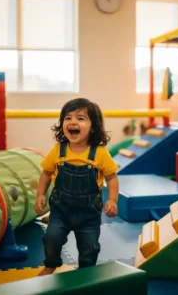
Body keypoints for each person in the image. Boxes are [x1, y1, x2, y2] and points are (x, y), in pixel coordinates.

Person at [35, 98, 119, 276]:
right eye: (68, 118)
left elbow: (111, 178)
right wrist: (40, 195)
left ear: (93, 127)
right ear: (62, 124)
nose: (73, 122)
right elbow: (46, 173)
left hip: (88, 213)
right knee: (51, 238)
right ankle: (51, 264)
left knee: (89, 246)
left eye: (80, 118)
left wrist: (112, 200)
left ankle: (85, 272)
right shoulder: (59, 149)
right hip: (60, 209)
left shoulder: (100, 153)